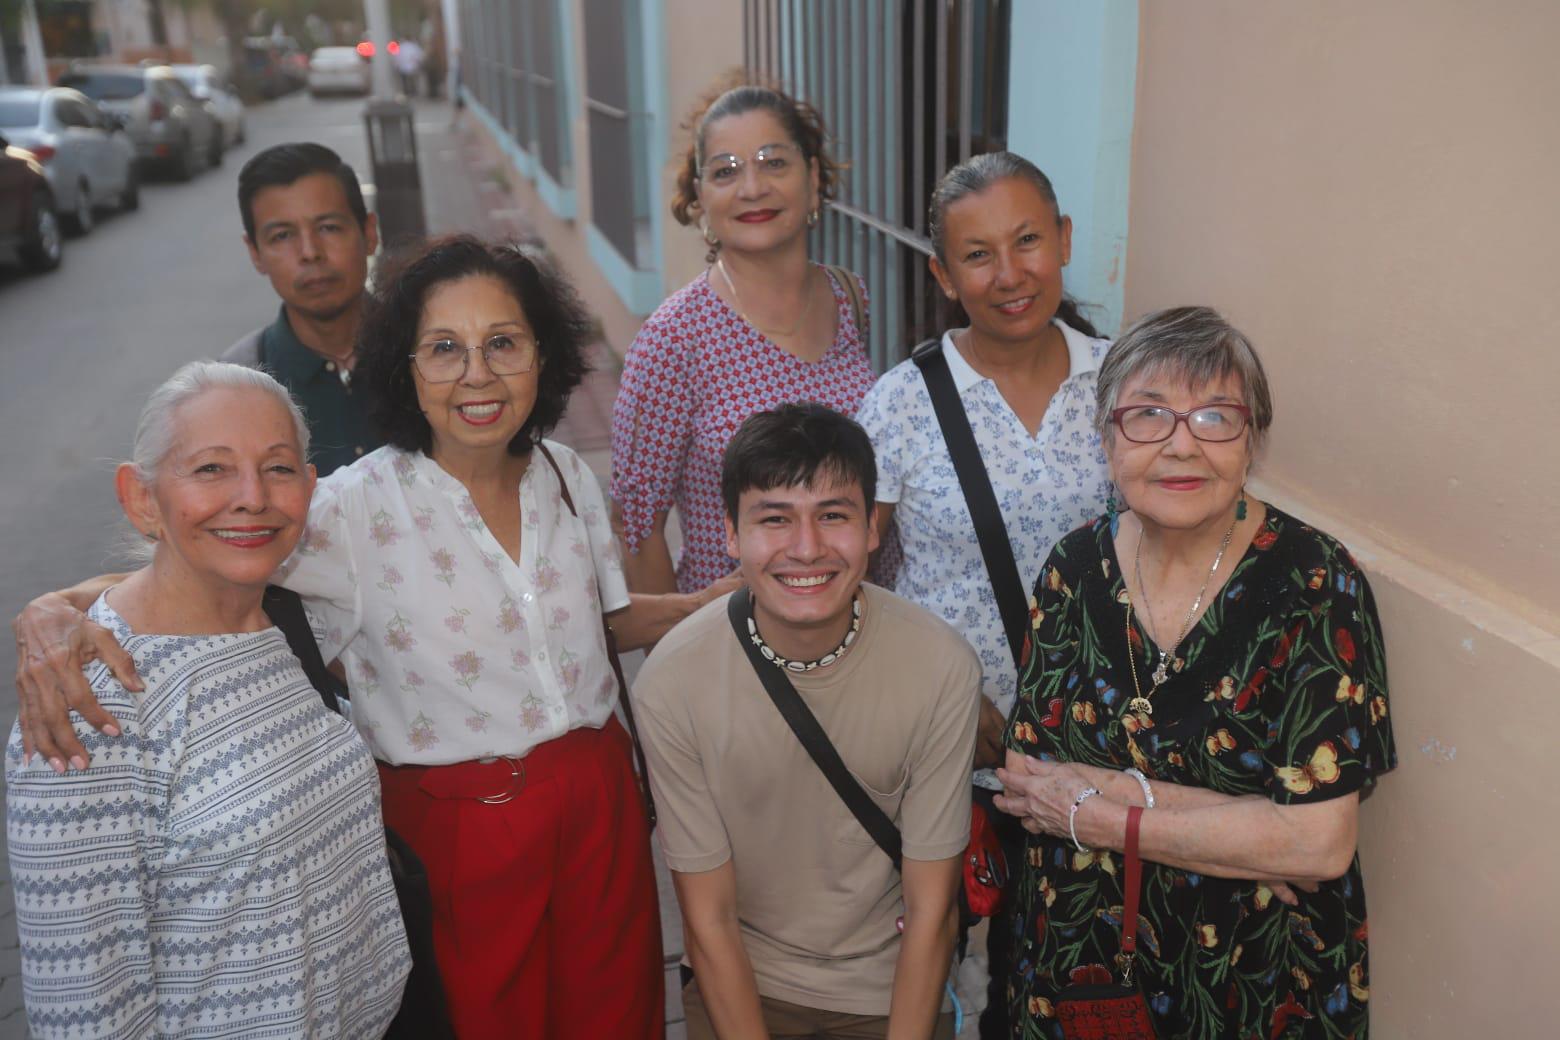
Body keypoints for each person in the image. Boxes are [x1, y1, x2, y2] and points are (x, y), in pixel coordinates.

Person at [13, 236, 728, 1038]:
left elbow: (599, 623)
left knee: (619, 1016)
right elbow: (219, 552)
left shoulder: (565, 476)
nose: (478, 374)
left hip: (599, 803)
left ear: (544, 354)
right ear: (404, 367)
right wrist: (59, 604)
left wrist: (709, 604)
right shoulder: (351, 507)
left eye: (503, 342)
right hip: (462, 827)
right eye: (444, 348)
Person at [995, 306, 1395, 1038]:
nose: (1181, 445)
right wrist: (1252, 826)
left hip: (1259, 977)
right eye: (1148, 415)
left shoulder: (1314, 583)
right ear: (1108, 436)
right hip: (1083, 964)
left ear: (1253, 441)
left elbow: (1319, 845)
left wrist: (1099, 813)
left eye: (1215, 417)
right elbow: (1027, 780)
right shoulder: (1073, 568)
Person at [6, 361, 410, 1039]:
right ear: (141, 500)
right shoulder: (86, 703)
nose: (252, 496)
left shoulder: (279, 618)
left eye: (278, 468)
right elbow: (86, 1011)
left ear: (309, 489)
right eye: (211, 468)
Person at [854, 150, 1112, 1037]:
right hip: (954, 756)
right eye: (977, 255)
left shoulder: (1126, 384)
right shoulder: (902, 403)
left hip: (1102, 753)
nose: (1009, 275)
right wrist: (944, 702)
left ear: (1064, 239)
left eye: (1028, 241)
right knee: (962, 969)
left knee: (1081, 975)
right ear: (943, 275)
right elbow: (844, 576)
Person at [633, 402, 980, 1039]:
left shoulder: (940, 667)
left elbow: (933, 913)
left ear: (872, 528)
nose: (806, 548)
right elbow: (709, 921)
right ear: (731, 535)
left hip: (888, 985)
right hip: (744, 981)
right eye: (774, 519)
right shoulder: (673, 681)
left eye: (833, 515)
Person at [610, 82, 875, 595]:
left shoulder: (849, 298)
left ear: (812, 177)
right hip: (736, 631)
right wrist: (680, 635)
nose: (752, 188)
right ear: (701, 196)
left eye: (773, 162)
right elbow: (637, 524)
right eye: (726, 171)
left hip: (857, 611)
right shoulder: (673, 339)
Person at [227, 142, 381, 475]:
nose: (310, 252)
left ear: (369, 233)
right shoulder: (235, 387)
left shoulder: (433, 349)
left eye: (328, 228)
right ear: (255, 252)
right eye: (282, 236)